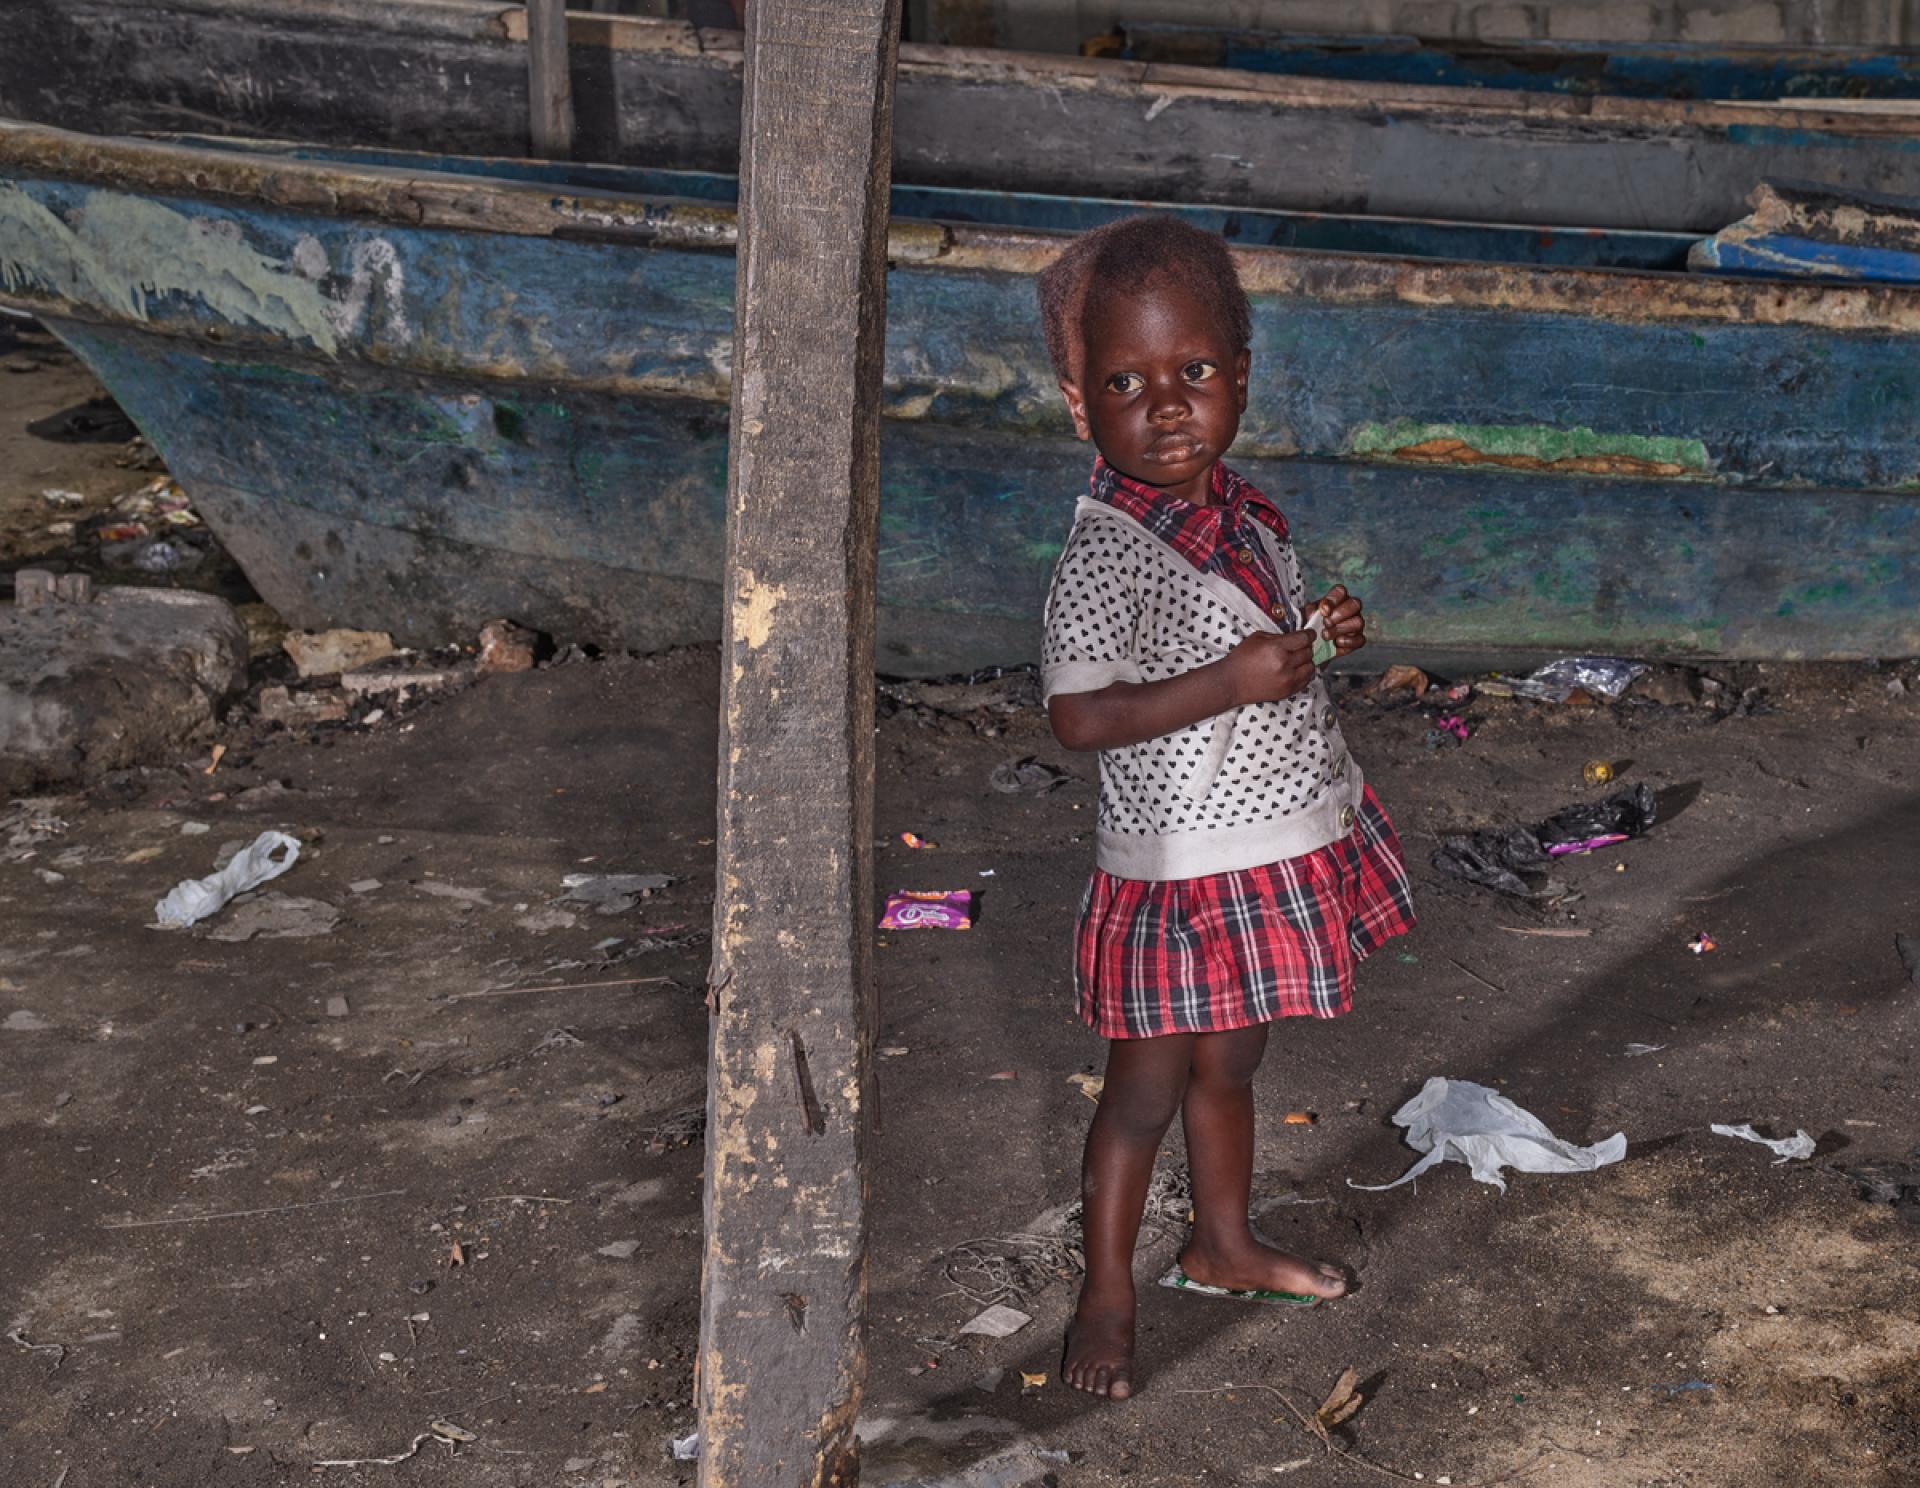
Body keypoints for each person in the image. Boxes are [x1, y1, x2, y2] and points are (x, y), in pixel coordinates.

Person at [1036, 215, 1416, 1400]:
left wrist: (1316, 639)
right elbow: (1079, 718)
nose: (1165, 405)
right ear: (1076, 398)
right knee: (1144, 1089)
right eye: (1126, 381)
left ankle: (1225, 1242)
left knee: (1234, 1063)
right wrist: (1231, 680)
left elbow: (1261, 643)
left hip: (1269, 843)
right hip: (1176, 867)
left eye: (1193, 372)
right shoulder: (1103, 556)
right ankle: (1107, 1291)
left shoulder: (1249, 514)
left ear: (1241, 376)